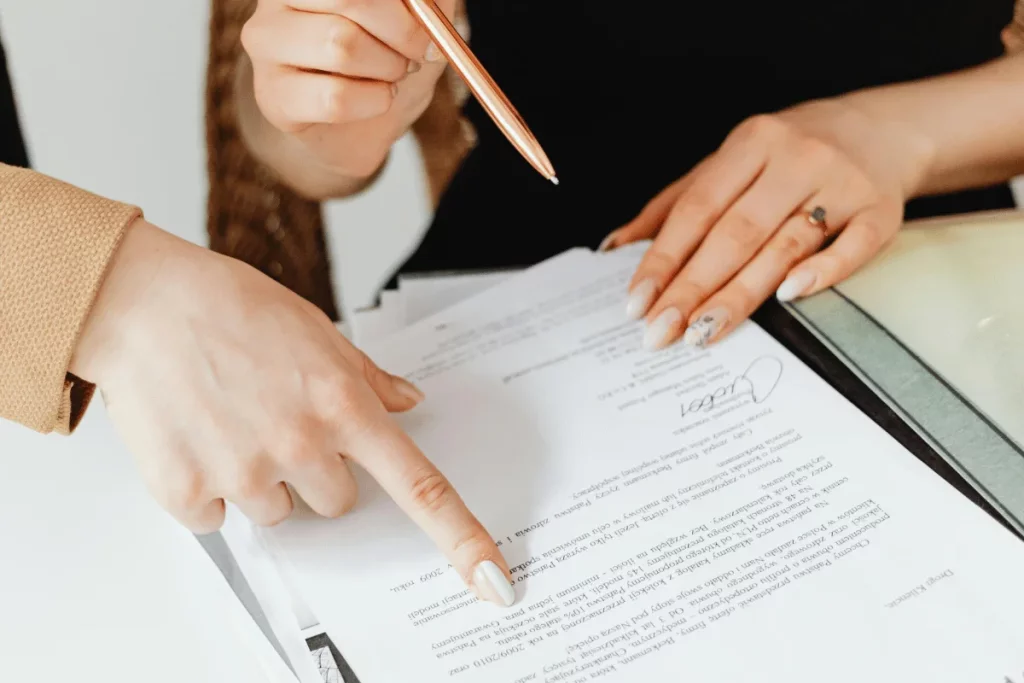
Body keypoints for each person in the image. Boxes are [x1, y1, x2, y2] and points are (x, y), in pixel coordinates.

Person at [2, 2, 1023, 610]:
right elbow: (293, 149)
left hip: (918, 240)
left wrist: (901, 134)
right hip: (531, 267)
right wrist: (331, 104)